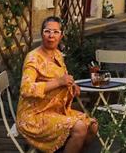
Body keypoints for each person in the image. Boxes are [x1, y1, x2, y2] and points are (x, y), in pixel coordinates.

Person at [16, 16, 98, 153]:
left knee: (92, 126)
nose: (51, 36)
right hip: (34, 116)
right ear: (42, 33)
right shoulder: (33, 58)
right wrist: (58, 82)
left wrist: (72, 86)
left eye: (55, 32)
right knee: (79, 128)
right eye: (47, 31)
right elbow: (26, 89)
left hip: (55, 111)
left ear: (61, 36)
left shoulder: (57, 55)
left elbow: (64, 77)